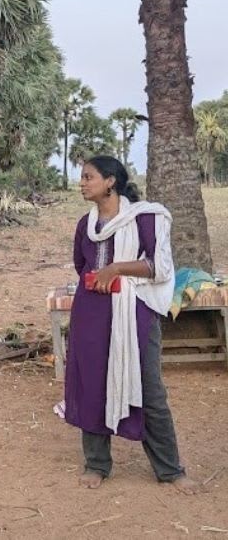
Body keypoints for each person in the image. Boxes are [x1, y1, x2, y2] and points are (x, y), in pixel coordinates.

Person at [66, 155, 200, 494]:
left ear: (110, 181)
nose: (82, 183)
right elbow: (82, 265)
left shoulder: (145, 219)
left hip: (135, 314)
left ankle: (170, 469)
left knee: (150, 390)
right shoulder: (86, 224)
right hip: (92, 315)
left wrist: (115, 269)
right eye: (81, 177)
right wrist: (102, 276)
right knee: (93, 384)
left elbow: (160, 267)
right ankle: (96, 464)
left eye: (88, 177)